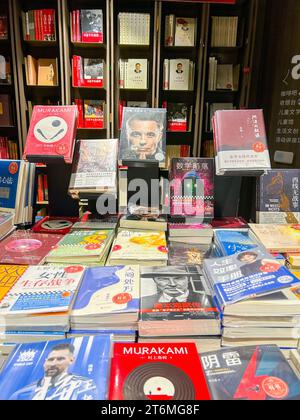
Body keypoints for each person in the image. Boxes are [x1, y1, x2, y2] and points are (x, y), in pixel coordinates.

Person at [9, 343, 99, 400]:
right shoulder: (21, 394)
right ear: (44, 362)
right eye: (50, 359)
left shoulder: (84, 386)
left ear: (71, 360)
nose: (53, 364)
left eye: (60, 359)